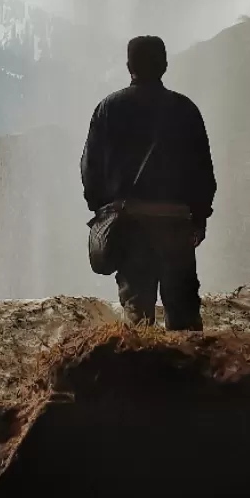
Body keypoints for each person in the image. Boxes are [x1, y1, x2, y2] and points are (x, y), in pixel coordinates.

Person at [80, 34, 216, 331]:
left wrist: (103, 212)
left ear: (129, 66)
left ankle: (139, 375)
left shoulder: (108, 108)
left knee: (137, 317)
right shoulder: (186, 110)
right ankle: (187, 375)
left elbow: (91, 171)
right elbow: (203, 172)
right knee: (183, 317)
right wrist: (199, 218)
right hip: (176, 227)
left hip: (129, 226)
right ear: (164, 65)